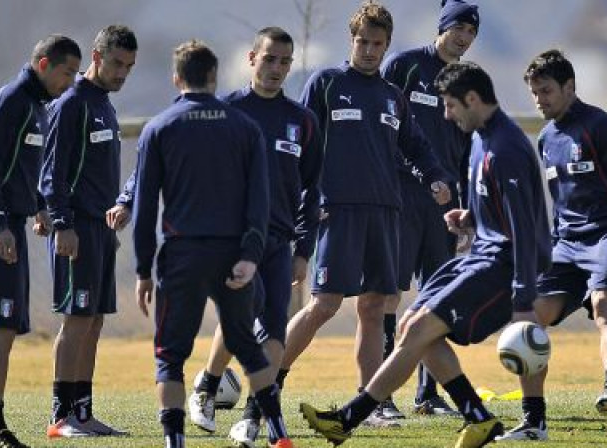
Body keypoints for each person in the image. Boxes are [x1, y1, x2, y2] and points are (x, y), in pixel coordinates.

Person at [300, 60, 552, 448]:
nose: (446, 116)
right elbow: (500, 208)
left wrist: (523, 301)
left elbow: (524, 226)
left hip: (502, 266)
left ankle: (347, 420)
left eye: (450, 106)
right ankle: (478, 417)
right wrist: (471, 218)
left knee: (417, 329)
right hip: (481, 256)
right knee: (412, 325)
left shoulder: (507, 148)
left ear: (471, 99)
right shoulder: (482, 139)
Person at [279, 0, 451, 426]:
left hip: (385, 212)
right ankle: (268, 382)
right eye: (362, 42)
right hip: (337, 212)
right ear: (351, 41)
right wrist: (302, 200)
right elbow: (301, 140)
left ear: (387, 44)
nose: (369, 50)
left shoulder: (393, 96)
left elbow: (417, 145)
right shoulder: (327, 83)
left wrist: (435, 175)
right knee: (324, 304)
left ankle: (372, 402)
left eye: (377, 43)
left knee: (376, 306)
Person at [132, 40, 295, 448]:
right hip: (232, 254)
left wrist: (141, 268)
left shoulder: (160, 127)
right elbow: (260, 202)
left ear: (176, 78)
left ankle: (175, 442)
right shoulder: (243, 127)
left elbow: (144, 206)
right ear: (213, 77)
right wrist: (250, 256)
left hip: (182, 254)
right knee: (250, 349)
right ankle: (277, 434)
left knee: (170, 355)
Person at [183, 27, 323, 447]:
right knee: (243, 316)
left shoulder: (303, 121)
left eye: (284, 61)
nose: (276, 68)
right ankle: (207, 386)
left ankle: (251, 418)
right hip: (234, 241)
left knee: (274, 332)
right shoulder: (224, 111)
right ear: (251, 59)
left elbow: (312, 189)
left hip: (280, 243)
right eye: (269, 59)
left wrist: (305, 250)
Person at [497, 49, 607, 442]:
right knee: (528, 317)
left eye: (547, 91)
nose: (540, 100)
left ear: (570, 87)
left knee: (604, 300)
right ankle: (534, 421)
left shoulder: (602, 127)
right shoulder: (546, 138)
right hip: (566, 243)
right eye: (535, 93)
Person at [0, 35, 81, 448]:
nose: (70, 82)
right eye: (66, 73)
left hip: (10, 218)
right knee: (2, 324)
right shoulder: (13, 99)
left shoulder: (37, 105)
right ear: (45, 64)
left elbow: (22, 168)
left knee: (2, 325)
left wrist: (39, 206)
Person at [377, 0, 479, 419]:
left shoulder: (469, 81)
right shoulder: (404, 66)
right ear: (443, 27)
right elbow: (381, 123)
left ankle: (427, 394)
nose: (464, 37)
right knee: (388, 292)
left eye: (471, 31)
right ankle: (380, 394)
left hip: (445, 203)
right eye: (458, 27)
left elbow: (473, 146)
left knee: (435, 295)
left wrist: (469, 208)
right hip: (402, 195)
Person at [40, 24, 137, 438]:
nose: (122, 73)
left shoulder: (104, 104)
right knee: (76, 319)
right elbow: (53, 172)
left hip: (100, 229)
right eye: (116, 63)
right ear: (96, 58)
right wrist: (62, 222)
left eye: (129, 66)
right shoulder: (72, 102)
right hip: (75, 228)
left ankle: (83, 412)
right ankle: (60, 417)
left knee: (94, 320)